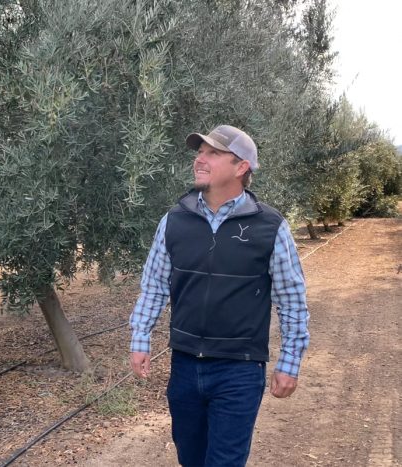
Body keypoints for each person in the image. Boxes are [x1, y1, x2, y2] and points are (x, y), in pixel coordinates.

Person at [129, 125, 310, 467]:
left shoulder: (269, 227)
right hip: (184, 366)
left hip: (239, 370)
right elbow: (154, 285)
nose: (200, 159)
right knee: (190, 458)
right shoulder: (174, 221)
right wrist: (140, 339)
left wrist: (290, 363)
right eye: (200, 152)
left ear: (241, 167)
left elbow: (291, 299)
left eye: (213, 153)